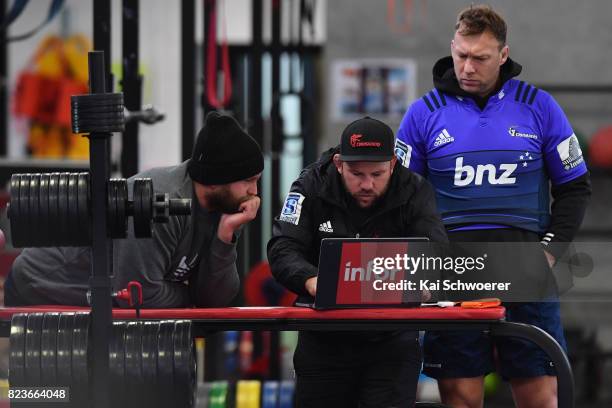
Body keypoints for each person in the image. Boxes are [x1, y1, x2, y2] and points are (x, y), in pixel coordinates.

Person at [396, 5, 591, 408]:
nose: (468, 67)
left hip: (526, 269)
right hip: (453, 272)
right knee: (461, 397)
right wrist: (422, 260)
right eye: (461, 55)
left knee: (540, 396)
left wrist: (551, 252)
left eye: (480, 58)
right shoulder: (422, 114)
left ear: (503, 56)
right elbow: (399, 198)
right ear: (452, 47)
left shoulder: (540, 107)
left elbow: (575, 187)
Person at [268, 116, 448, 408]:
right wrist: (314, 281)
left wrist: (425, 281)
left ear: (392, 164)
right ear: (339, 163)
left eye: (377, 174)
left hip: (392, 341)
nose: (367, 184)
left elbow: (436, 252)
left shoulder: (415, 189)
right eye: (356, 174)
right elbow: (282, 248)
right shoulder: (310, 185)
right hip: (323, 338)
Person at [5, 112, 263, 308]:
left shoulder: (222, 209)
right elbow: (139, 295)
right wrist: (189, 295)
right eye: (249, 181)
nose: (255, 192)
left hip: (94, 303)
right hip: (41, 286)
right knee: (58, 380)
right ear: (215, 180)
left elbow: (216, 300)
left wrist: (226, 236)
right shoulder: (160, 201)